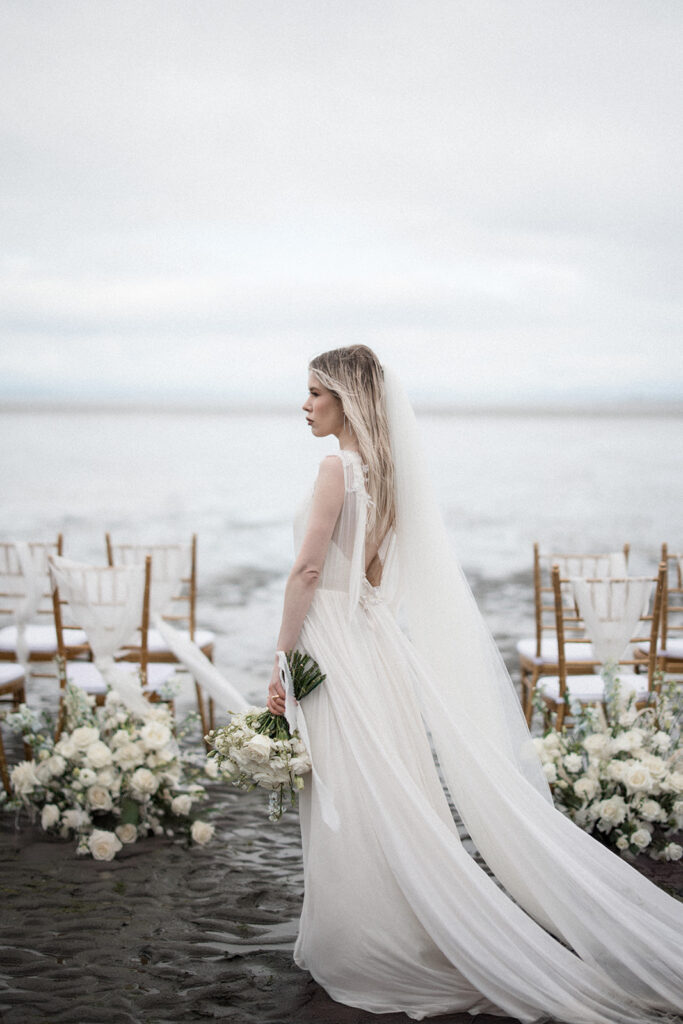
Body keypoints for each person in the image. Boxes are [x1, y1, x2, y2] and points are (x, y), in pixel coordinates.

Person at [264, 345, 683, 1024]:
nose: (304, 404)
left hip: (332, 646)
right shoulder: (383, 474)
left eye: (315, 392)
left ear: (346, 399)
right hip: (370, 646)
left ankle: (369, 944)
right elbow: (371, 579)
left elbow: (308, 574)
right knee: (380, 797)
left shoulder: (335, 468)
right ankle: (389, 928)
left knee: (349, 795)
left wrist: (280, 659)